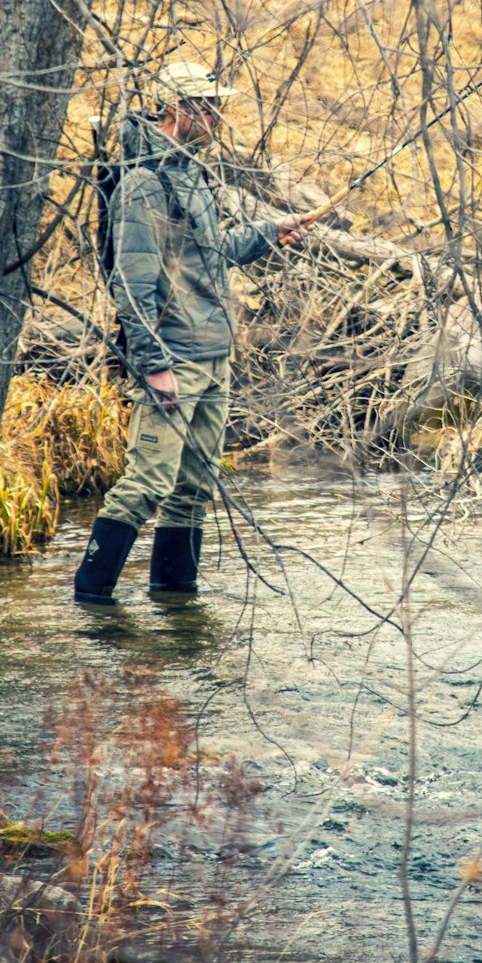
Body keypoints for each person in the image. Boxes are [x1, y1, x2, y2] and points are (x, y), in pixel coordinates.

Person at [74, 58, 312, 604]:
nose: (218, 119)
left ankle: (176, 602)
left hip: (213, 356)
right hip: (173, 359)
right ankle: (91, 604)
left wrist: (271, 232)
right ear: (180, 110)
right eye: (210, 108)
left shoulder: (193, 174)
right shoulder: (141, 185)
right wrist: (155, 366)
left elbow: (213, 253)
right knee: (147, 486)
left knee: (193, 490)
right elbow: (132, 284)